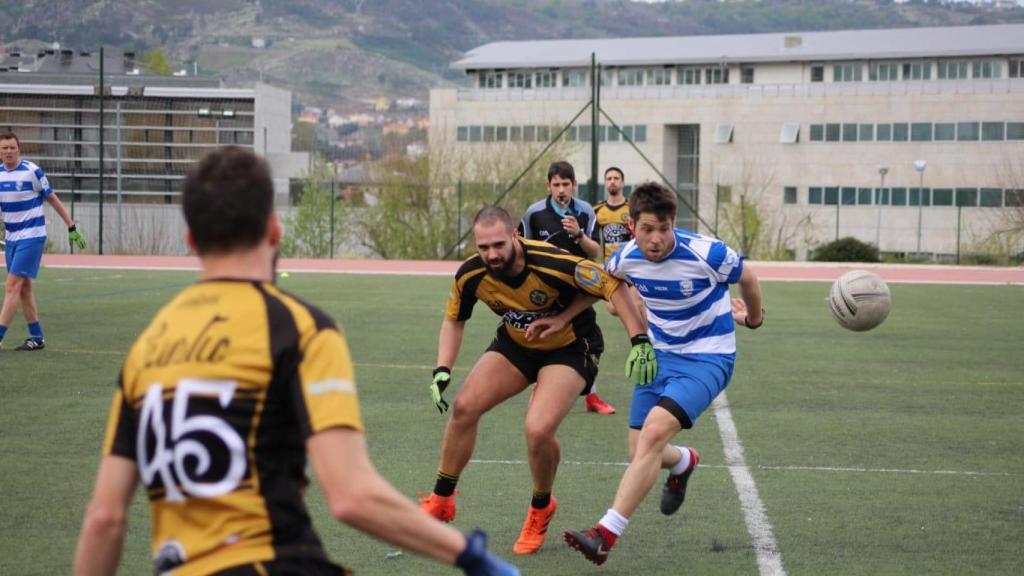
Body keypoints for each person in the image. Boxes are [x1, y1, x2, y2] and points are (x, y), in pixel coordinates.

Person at [73, 147, 519, 576]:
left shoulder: (149, 346)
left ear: (191, 239)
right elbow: (350, 497)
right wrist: (469, 556)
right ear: (273, 229)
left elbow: (104, 518)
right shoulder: (300, 330)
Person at [420, 205, 653, 556]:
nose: (491, 254)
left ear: (515, 234)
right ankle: (441, 499)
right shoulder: (470, 274)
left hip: (573, 348)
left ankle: (541, 507)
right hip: (518, 345)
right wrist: (442, 368)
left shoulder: (552, 261)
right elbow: (454, 319)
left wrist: (638, 340)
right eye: (483, 247)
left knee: (537, 429)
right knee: (465, 406)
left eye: (498, 244)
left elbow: (610, 284)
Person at [564, 182, 764, 566]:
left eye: (664, 228)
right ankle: (683, 461)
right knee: (640, 452)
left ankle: (604, 534)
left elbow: (749, 278)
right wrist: (564, 318)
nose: (656, 239)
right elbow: (608, 286)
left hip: (708, 358)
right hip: (657, 357)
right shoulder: (624, 257)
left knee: (653, 433)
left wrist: (753, 318)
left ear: (674, 223)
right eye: (647, 229)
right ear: (631, 224)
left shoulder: (707, 252)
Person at [518, 160, 617, 415]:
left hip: (577, 288)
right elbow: (521, 247)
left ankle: (591, 397)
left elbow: (595, 251)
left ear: (574, 185)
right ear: (548, 186)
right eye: (556, 184)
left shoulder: (585, 211)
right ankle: (540, 385)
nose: (561, 189)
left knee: (589, 339)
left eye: (565, 184)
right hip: (544, 289)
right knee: (542, 338)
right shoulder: (534, 213)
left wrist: (579, 235)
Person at [0, 131, 86, 351]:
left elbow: (52, 198)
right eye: (4, 148)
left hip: (32, 237)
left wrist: (71, 226)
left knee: (12, 286)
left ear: (19, 149)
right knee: (24, 289)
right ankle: (37, 338)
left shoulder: (32, 172)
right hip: (11, 239)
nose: (8, 151)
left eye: (12, 147)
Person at [592, 166, 636, 319]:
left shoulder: (632, 208)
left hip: (631, 266)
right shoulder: (597, 210)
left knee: (637, 305)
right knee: (613, 309)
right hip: (610, 268)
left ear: (622, 183)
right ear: (605, 183)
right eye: (609, 179)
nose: (612, 182)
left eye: (616, 178)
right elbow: (593, 241)